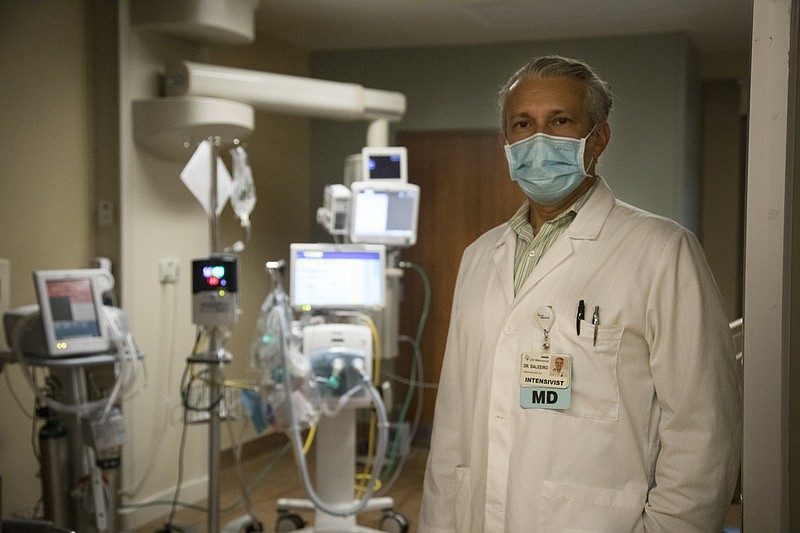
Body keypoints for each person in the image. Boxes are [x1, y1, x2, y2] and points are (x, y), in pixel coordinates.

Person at [419, 55, 742, 533]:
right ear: (506, 141)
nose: (538, 139)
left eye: (561, 121)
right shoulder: (479, 256)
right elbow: (452, 421)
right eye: (522, 124)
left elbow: (702, 427)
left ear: (599, 139)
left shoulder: (662, 250)